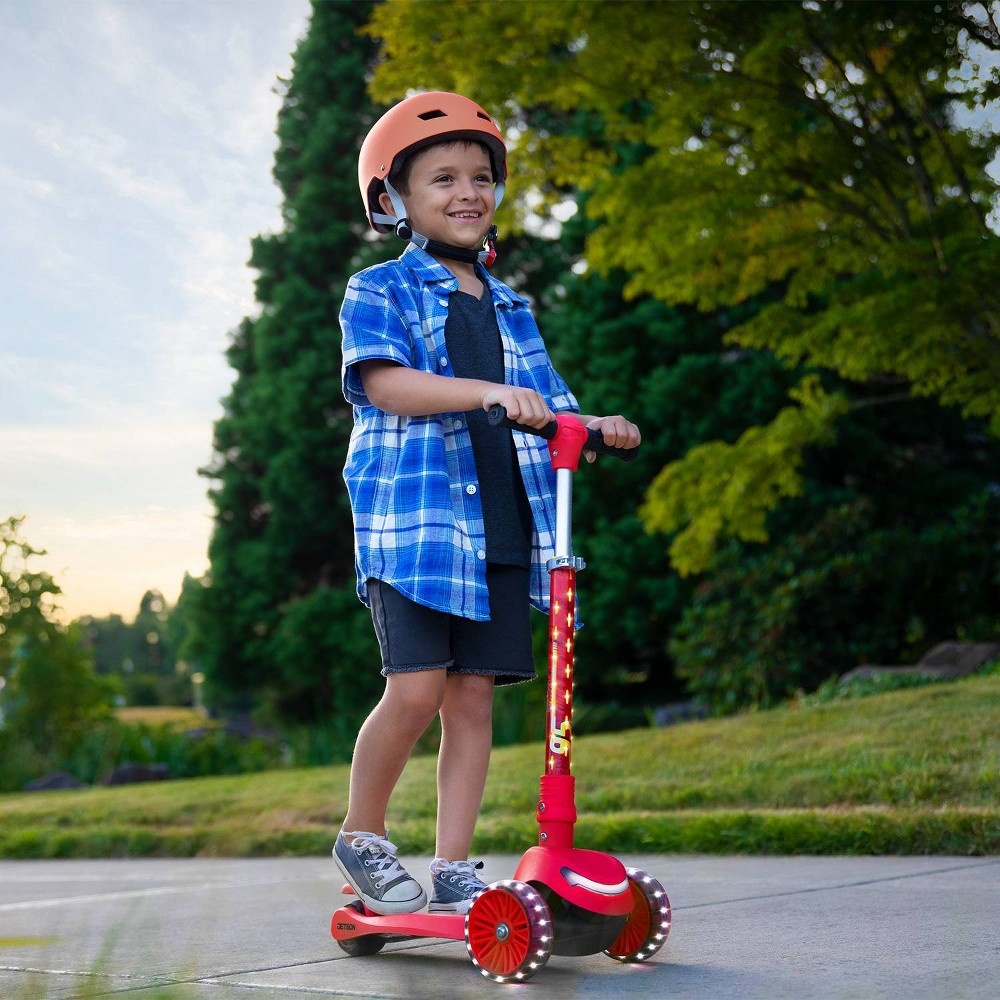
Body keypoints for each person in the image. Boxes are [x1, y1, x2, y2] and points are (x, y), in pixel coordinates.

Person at [334, 91, 641, 916]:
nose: (468, 191)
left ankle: (455, 865)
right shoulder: (379, 290)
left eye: (481, 176)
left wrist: (593, 423)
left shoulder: (513, 309)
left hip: (504, 530)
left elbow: (549, 402)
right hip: (420, 532)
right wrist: (490, 394)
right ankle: (362, 835)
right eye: (443, 178)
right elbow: (386, 385)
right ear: (393, 201)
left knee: (473, 703)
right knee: (416, 692)